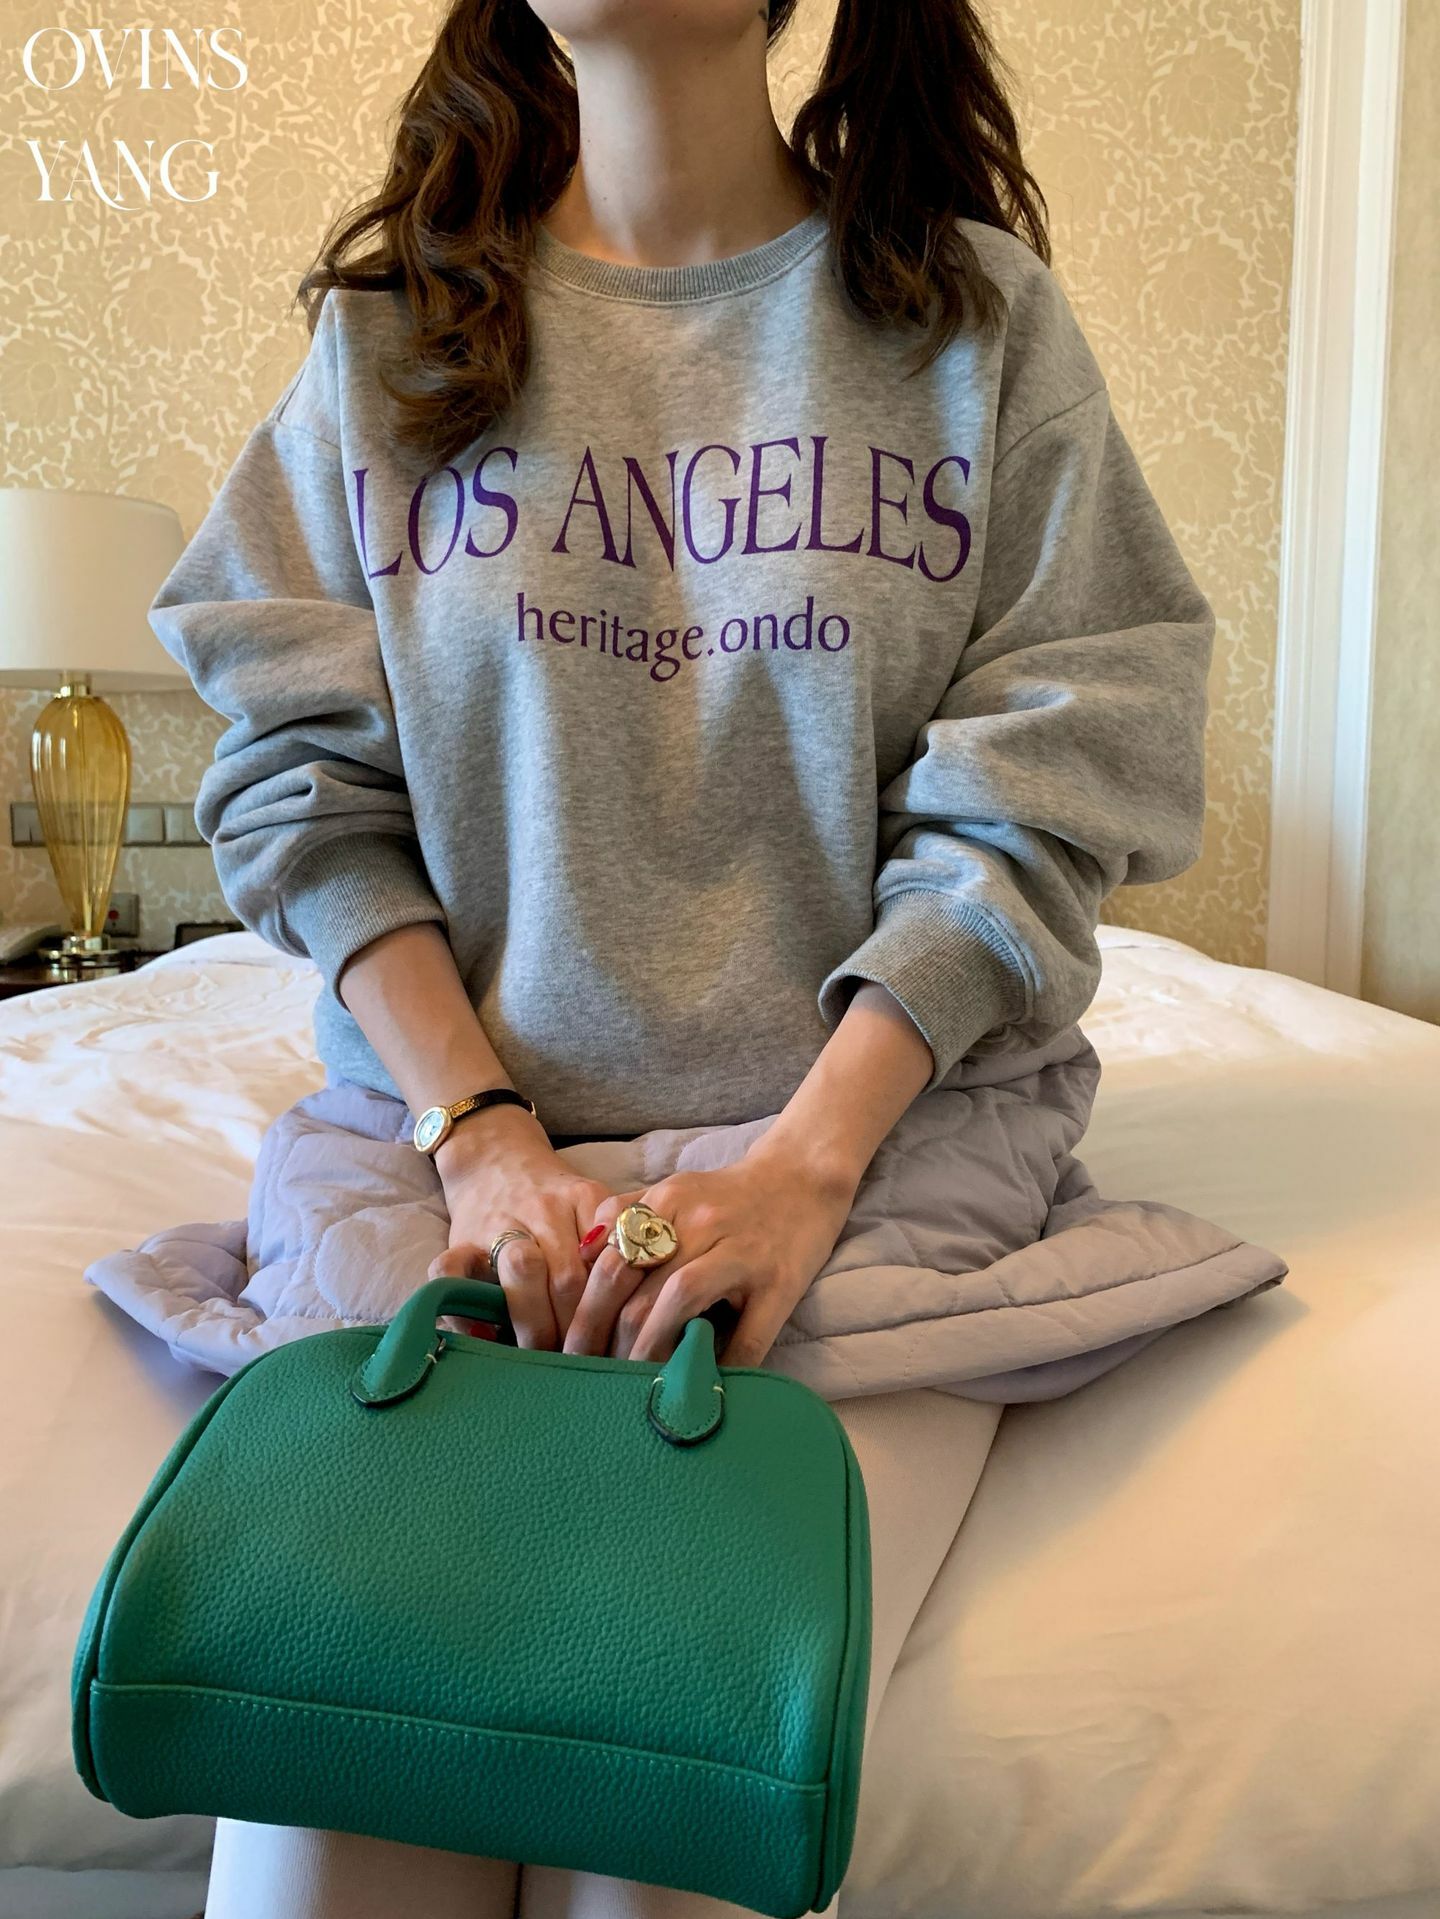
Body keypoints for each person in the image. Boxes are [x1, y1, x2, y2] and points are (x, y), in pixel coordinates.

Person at [135, 1, 1220, 1912]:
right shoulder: (391, 342)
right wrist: (481, 1140)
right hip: (452, 1136)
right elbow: (305, 788)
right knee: (331, 1747)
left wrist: (803, 1168)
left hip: (870, 1147)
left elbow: (1047, 788)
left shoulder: (974, 325)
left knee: (669, 1770)